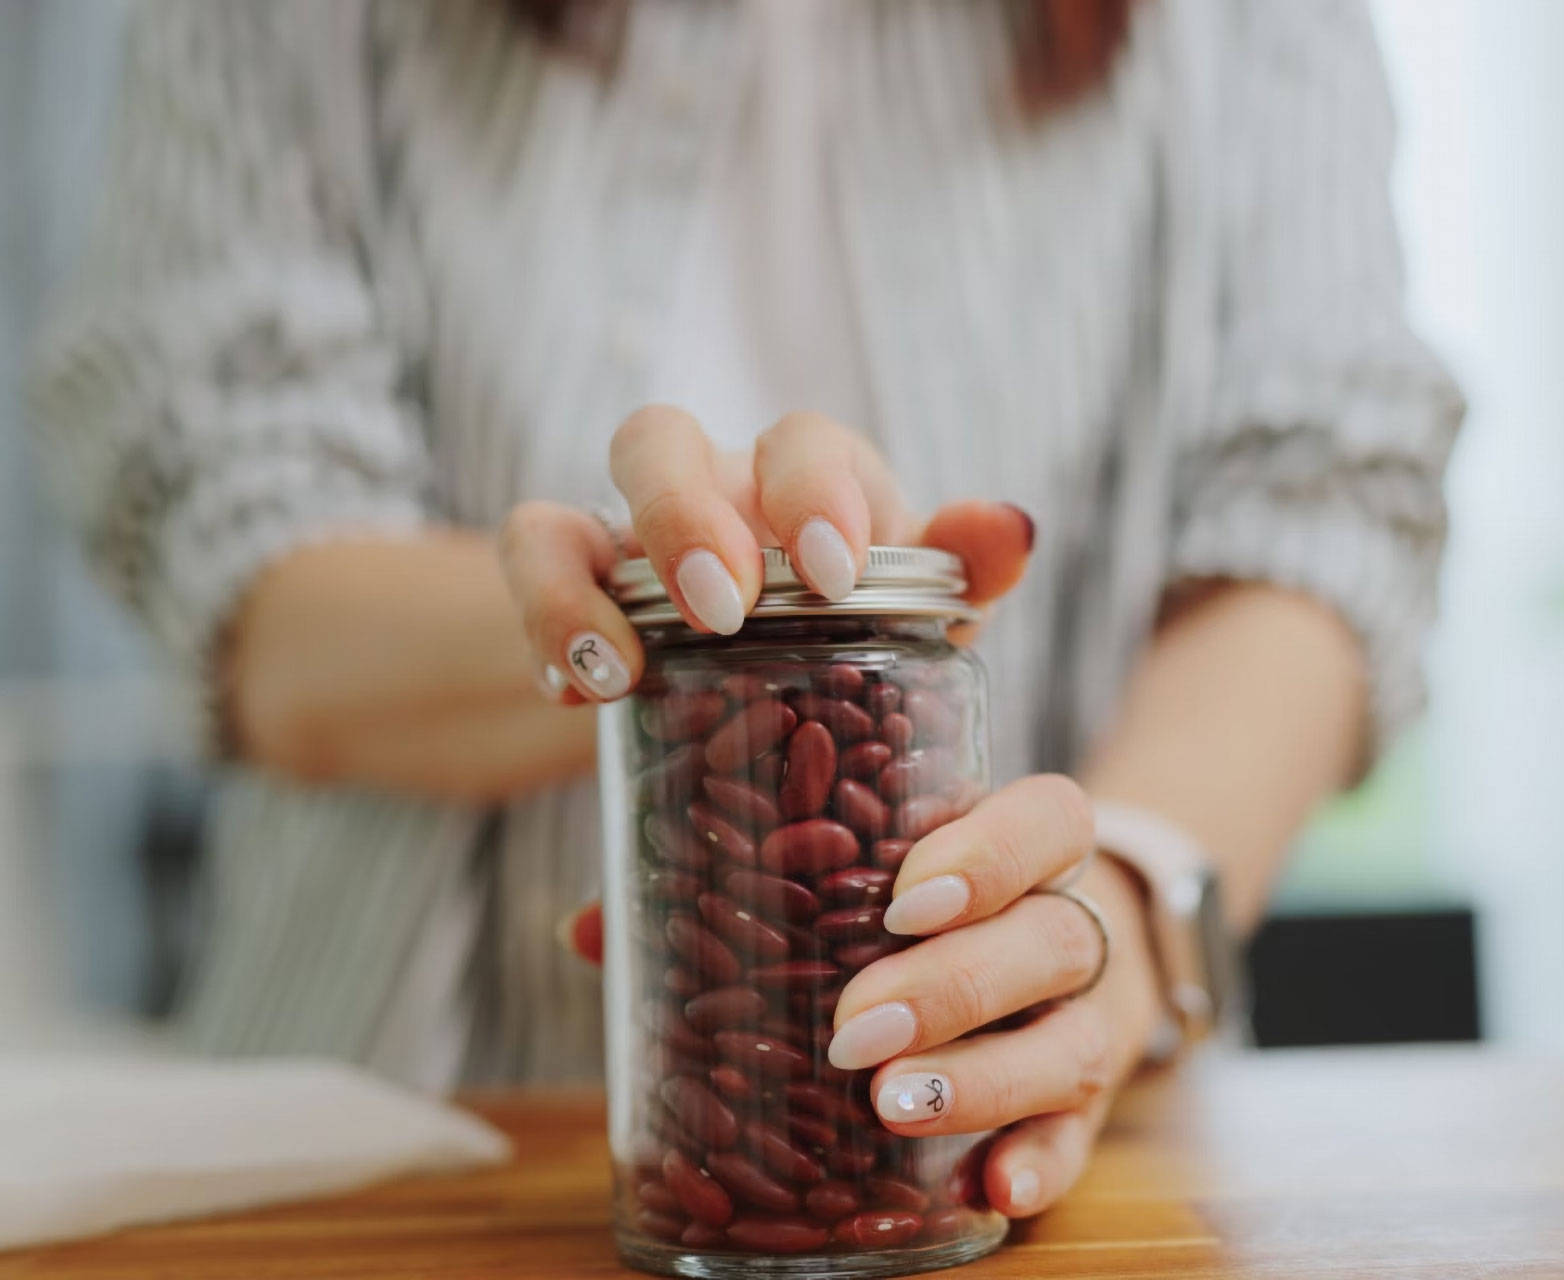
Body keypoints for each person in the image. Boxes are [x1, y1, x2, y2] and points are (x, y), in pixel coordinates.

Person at [33, 0, 1460, 1221]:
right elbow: (246, 564)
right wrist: (669, 628)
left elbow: (1321, 508)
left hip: (1029, 1170)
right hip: (389, 1153)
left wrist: (1123, 911)